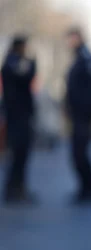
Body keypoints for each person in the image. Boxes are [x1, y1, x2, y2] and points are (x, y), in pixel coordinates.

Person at [65, 27, 91, 203]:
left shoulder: (86, 58)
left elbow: (90, 86)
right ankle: (86, 188)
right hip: (78, 114)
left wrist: (86, 111)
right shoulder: (81, 57)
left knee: (80, 152)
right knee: (78, 152)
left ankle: (89, 189)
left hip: (83, 114)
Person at [1, 35, 37, 203]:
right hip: (17, 116)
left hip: (20, 115)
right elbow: (26, 75)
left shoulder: (14, 62)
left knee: (21, 155)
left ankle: (18, 188)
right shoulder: (12, 63)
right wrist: (33, 63)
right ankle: (13, 189)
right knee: (18, 154)